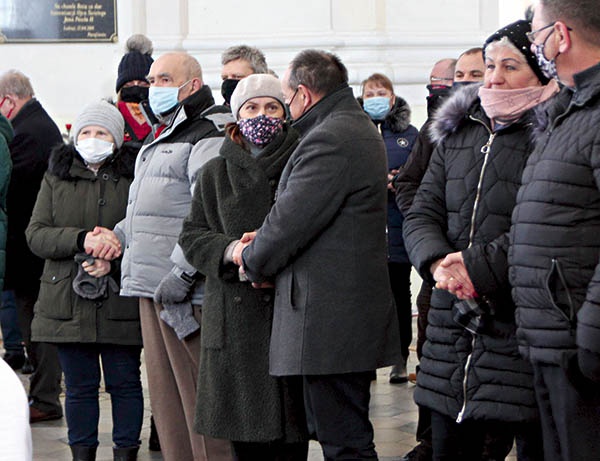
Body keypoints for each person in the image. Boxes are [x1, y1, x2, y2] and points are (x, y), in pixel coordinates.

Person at [403, 19, 559, 460]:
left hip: (520, 325)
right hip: (453, 326)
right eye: (490, 65)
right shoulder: (459, 129)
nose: (493, 78)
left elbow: (544, 223)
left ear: (542, 71)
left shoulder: (554, 133)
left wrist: (475, 268)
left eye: (510, 66)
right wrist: (437, 264)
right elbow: (423, 209)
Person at [232, 49, 400, 460]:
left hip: (331, 318)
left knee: (344, 441)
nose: (287, 108)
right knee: (342, 435)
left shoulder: (331, 137)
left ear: (303, 95)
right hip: (339, 314)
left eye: (286, 98)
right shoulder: (349, 127)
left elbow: (292, 220)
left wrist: (253, 258)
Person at [178, 73, 308, 460]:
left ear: (285, 114)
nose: (262, 115)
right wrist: (233, 250)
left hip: (288, 310)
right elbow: (192, 235)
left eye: (272, 107)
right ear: (237, 115)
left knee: (290, 435)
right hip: (234, 323)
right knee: (245, 438)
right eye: (252, 107)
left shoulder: (302, 163)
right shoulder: (216, 172)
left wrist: (271, 261)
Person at [113, 51, 234, 461]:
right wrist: (114, 238)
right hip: (149, 285)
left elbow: (209, 210)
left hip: (184, 291)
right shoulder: (160, 132)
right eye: (151, 80)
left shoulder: (206, 133)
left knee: (199, 401)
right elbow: (147, 211)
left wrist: (182, 275)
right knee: (167, 404)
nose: (153, 88)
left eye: (164, 79)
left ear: (192, 85)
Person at [25, 100, 143, 461]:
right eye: (87, 133)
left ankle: (126, 452)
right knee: (78, 388)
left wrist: (115, 256)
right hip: (66, 300)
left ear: (117, 138)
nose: (93, 139)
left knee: (125, 384)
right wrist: (83, 240)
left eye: (102, 132)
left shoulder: (134, 177)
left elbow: (147, 231)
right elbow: (37, 234)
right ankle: (82, 454)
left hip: (120, 297)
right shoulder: (56, 176)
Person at [509, 1, 600, 459]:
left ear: (560, 36)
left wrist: (591, 338)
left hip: (579, 350)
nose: (533, 43)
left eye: (536, 33)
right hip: (550, 339)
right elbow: (546, 218)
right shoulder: (569, 109)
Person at [0, 69, 64, 423]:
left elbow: (13, 189)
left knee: (37, 329)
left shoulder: (29, 132)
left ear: (8, 101)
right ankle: (42, 395)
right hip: (28, 251)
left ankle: (44, 398)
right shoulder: (32, 125)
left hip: (30, 254)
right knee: (32, 327)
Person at [360, 72, 418, 384]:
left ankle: (399, 357)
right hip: (365, 229)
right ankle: (366, 359)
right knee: (366, 296)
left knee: (399, 293)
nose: (375, 98)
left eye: (380, 93)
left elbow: (423, 173)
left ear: (392, 98)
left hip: (398, 226)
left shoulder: (410, 135)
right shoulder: (354, 132)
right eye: (369, 94)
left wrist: (400, 181)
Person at [115, 34, 155, 150]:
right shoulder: (112, 116)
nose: (136, 88)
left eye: (143, 84)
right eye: (129, 84)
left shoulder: (164, 116)